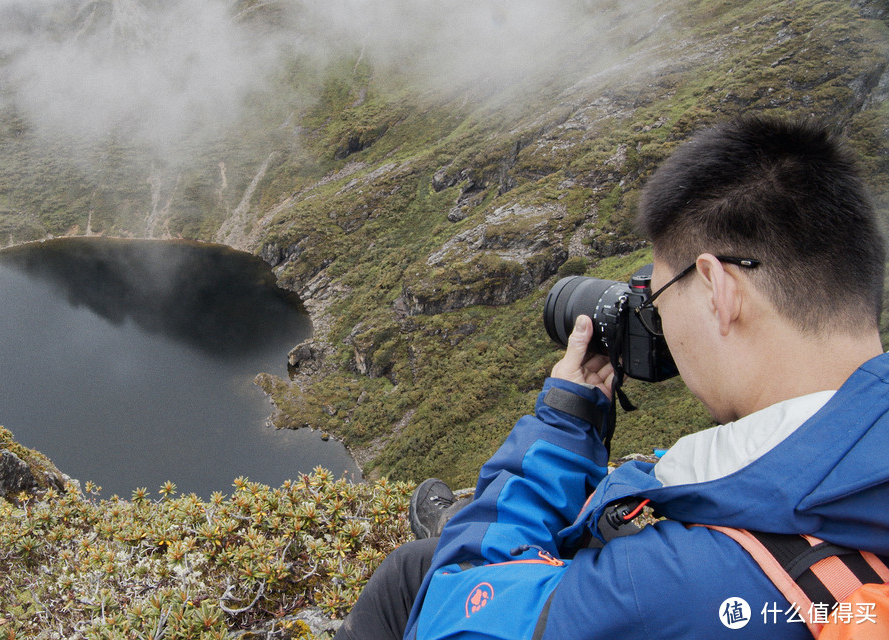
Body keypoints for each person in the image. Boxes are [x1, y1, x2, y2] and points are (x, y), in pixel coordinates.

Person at [334, 115, 889, 639]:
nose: (656, 322)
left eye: (660, 297)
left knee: (417, 576)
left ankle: (478, 527)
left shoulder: (672, 586)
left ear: (720, 290)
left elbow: (455, 615)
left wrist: (564, 427)